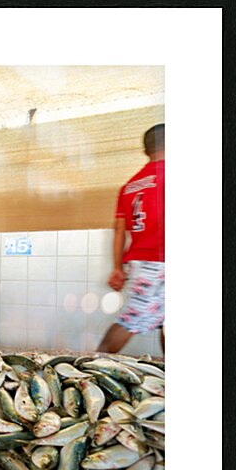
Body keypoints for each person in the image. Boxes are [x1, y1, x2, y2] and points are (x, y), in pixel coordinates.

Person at [97, 124, 165, 355]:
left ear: (147, 150)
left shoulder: (130, 186)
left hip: (141, 261)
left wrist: (117, 267)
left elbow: (119, 230)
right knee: (131, 319)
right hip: (160, 261)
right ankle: (93, 365)